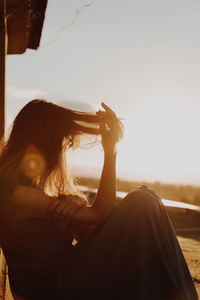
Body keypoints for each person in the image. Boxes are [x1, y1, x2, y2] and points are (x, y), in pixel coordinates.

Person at [0, 99, 198, 300]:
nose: (63, 151)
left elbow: (85, 233)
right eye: (63, 144)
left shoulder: (29, 192)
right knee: (143, 200)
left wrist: (76, 203)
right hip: (53, 289)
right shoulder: (22, 196)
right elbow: (100, 214)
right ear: (46, 142)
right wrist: (110, 152)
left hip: (63, 282)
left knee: (147, 201)